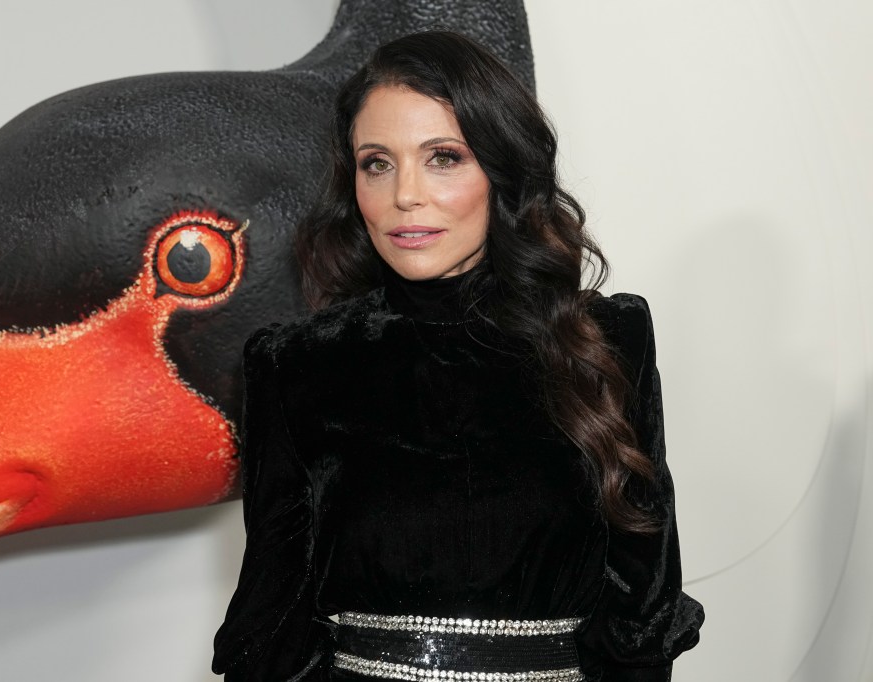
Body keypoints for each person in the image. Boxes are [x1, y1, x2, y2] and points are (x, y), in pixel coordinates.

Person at [212, 30, 703, 682]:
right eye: (377, 163)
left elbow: (641, 615)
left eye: (443, 157)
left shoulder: (605, 342)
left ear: (501, 170)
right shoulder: (297, 366)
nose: (404, 196)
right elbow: (274, 626)